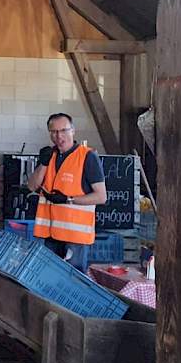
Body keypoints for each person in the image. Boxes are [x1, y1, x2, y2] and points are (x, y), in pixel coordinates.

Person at [26, 113, 107, 273]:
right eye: (54, 131)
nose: (59, 136)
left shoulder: (87, 157)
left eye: (63, 130)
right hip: (50, 235)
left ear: (73, 131)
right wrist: (43, 163)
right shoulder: (49, 156)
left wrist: (68, 199)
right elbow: (32, 186)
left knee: (73, 283)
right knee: (49, 279)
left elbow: (101, 196)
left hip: (75, 239)